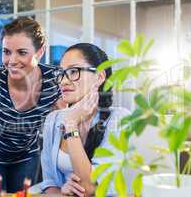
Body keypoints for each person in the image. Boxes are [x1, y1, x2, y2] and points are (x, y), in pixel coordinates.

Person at [0, 17, 65, 193]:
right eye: (6, 52)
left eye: (22, 52)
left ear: (40, 52)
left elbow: (64, 129)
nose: (12, 61)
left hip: (27, 156)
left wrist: (63, 177)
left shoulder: (54, 80)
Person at [40, 43, 130, 196]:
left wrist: (71, 124)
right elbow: (49, 184)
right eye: (61, 73)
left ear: (100, 77)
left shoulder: (119, 119)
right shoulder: (53, 119)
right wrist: (62, 192)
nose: (63, 81)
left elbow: (89, 189)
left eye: (74, 71)